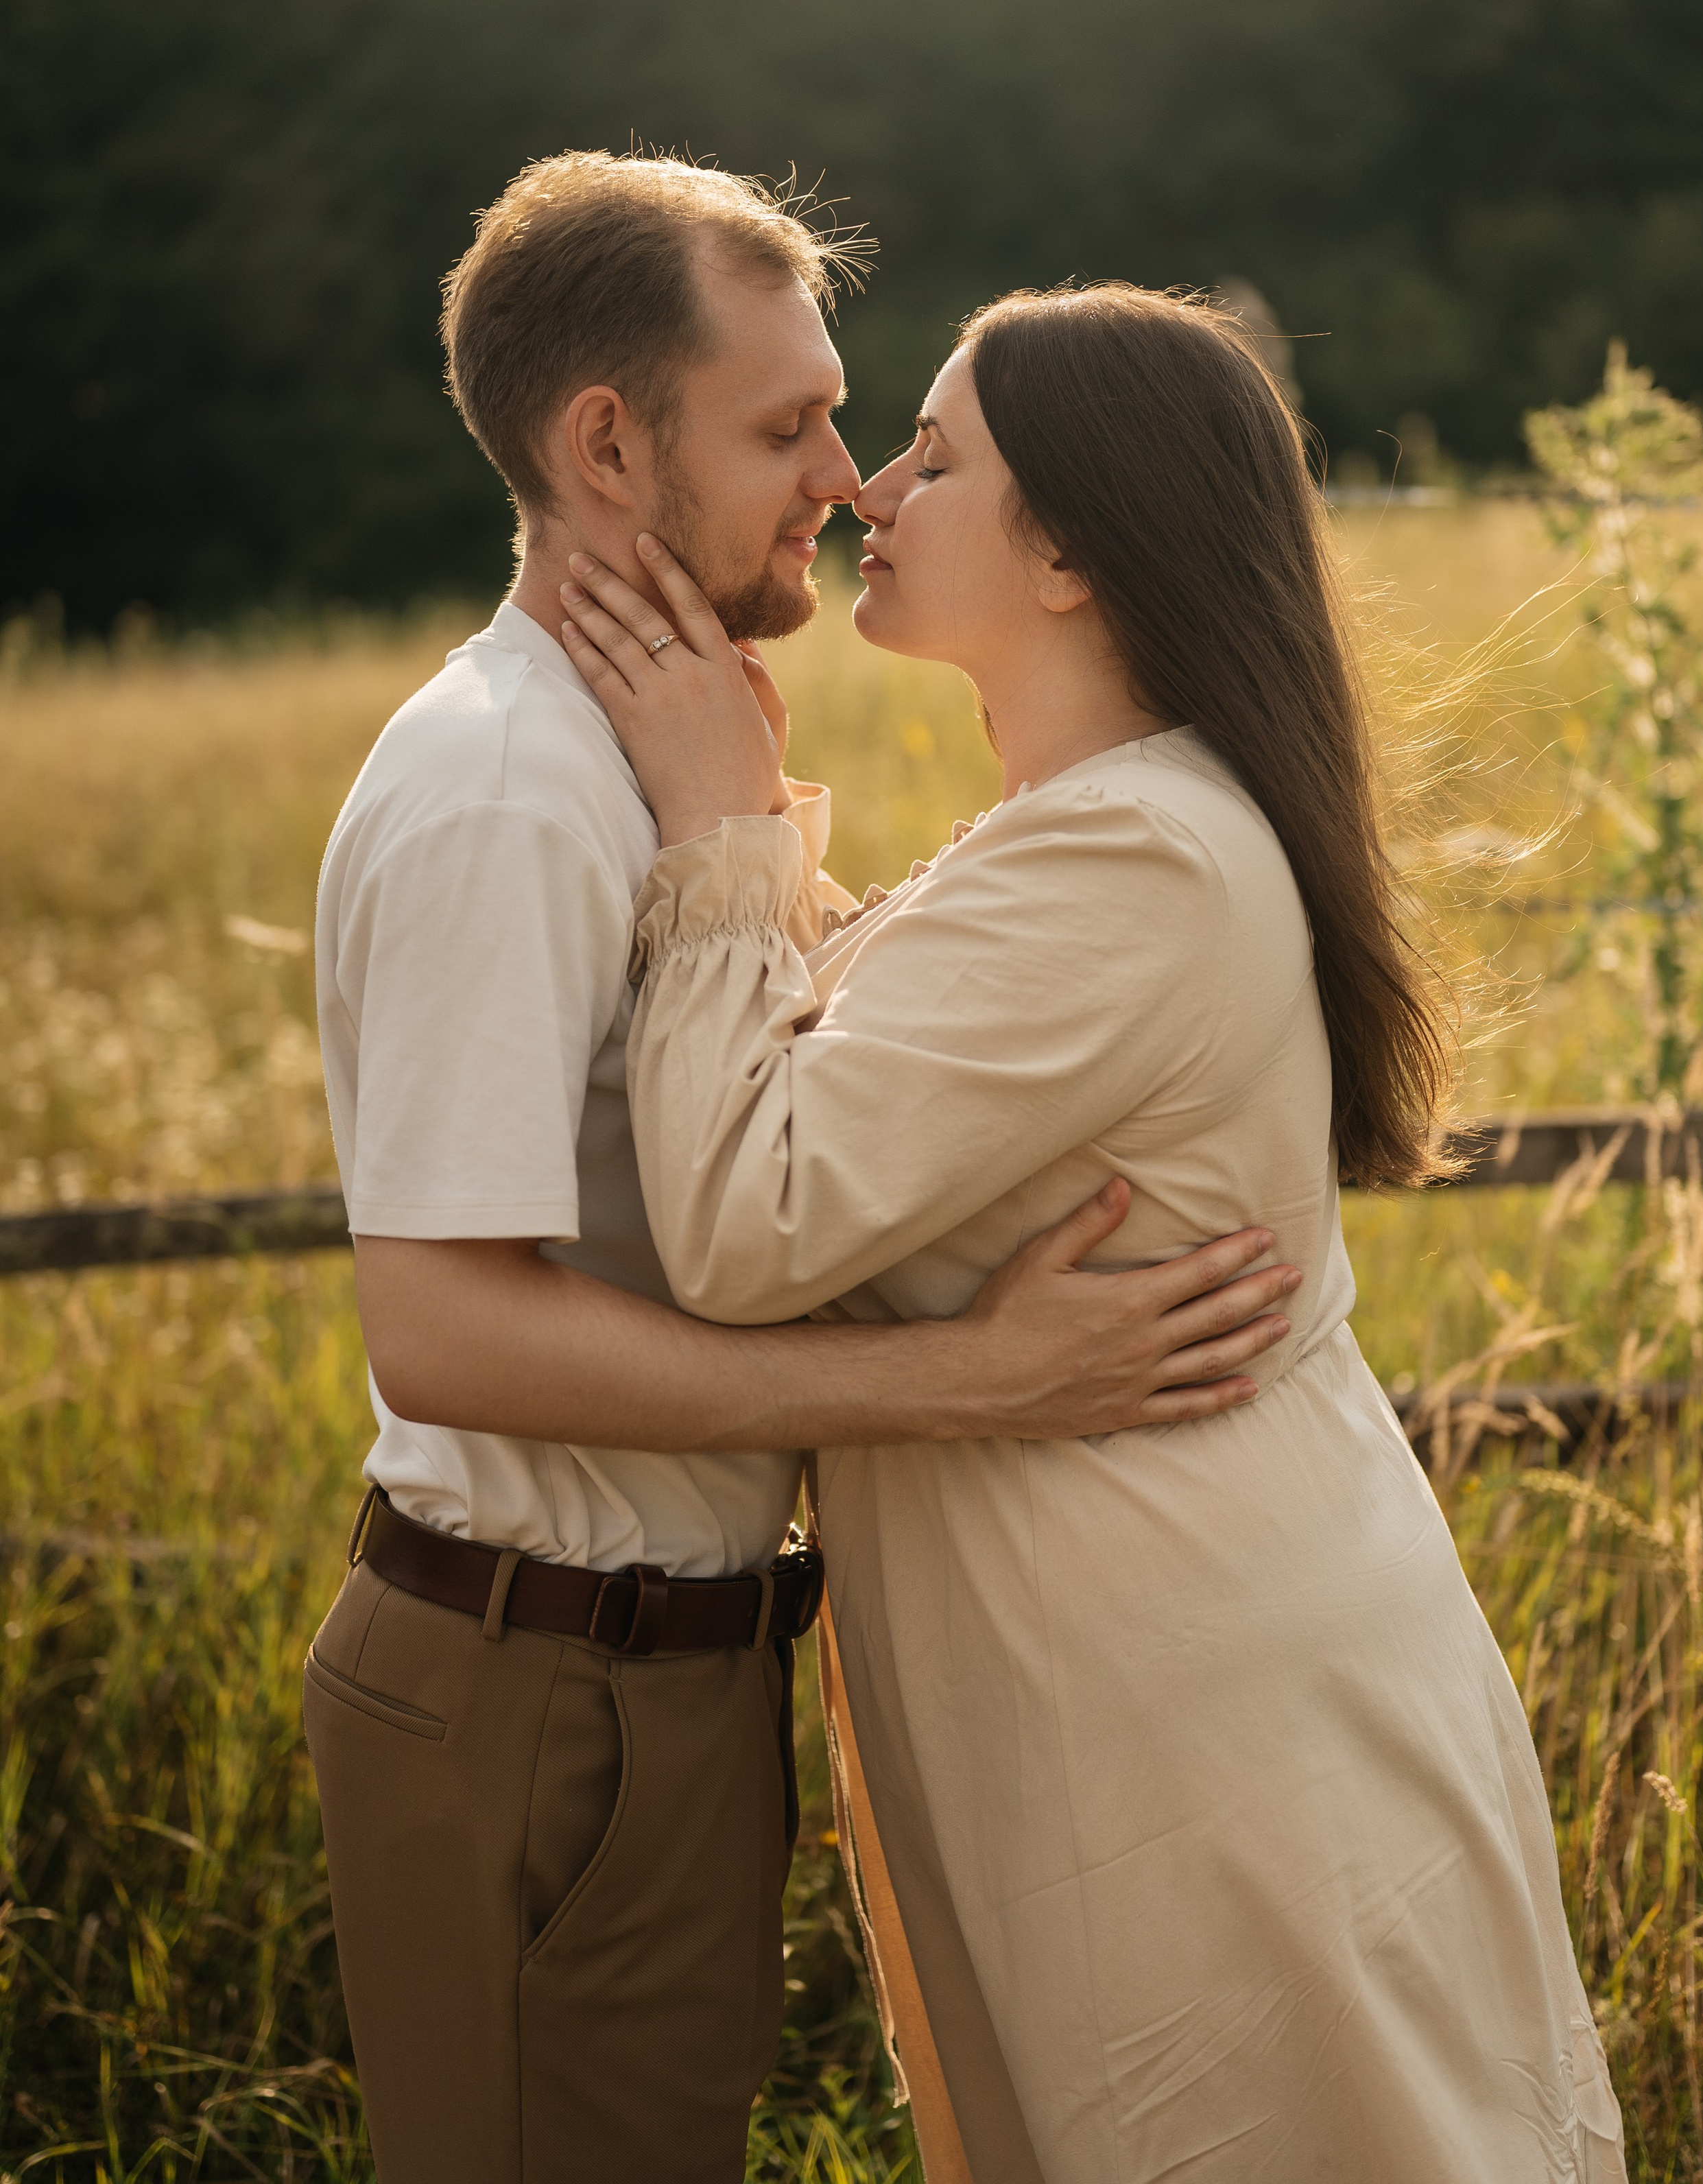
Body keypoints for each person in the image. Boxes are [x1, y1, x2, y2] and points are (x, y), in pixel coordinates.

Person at [556, 280, 1629, 2184]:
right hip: (1117, 1656)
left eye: (940, 455)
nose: (875, 485)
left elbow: (743, 1216)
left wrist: (723, 829)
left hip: (1182, 1698)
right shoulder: (1081, 830)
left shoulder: (1129, 857)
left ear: (1069, 550)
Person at [303, 156, 1296, 2184]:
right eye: (787, 429)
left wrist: (744, 832)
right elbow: (442, 1327)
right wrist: (962, 1386)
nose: (845, 480)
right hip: (536, 1682)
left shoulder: (641, 764)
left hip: (652, 1672)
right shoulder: (508, 789)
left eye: (853, 425)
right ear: (605, 444)